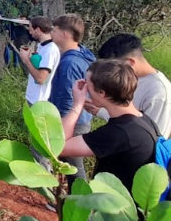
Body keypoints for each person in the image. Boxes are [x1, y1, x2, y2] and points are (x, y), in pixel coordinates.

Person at [60, 60, 157, 193]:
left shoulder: (118, 133)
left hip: (115, 211)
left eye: (88, 85)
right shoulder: (145, 121)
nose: (85, 89)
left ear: (102, 93)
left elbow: (61, 147)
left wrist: (77, 105)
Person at [49, 13, 96, 183]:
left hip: (73, 122)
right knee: (71, 164)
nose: (51, 33)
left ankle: (81, 203)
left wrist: (61, 124)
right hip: (81, 118)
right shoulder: (83, 54)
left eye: (54, 30)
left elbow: (67, 98)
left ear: (65, 34)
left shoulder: (69, 63)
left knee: (74, 166)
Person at [95, 33, 171, 137]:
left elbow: (151, 137)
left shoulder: (159, 92)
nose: (111, 71)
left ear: (130, 62)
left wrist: (101, 112)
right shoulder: (128, 79)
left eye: (114, 66)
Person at [20, 16, 61, 106]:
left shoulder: (50, 50)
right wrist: (30, 57)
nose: (30, 32)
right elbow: (39, 65)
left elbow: (40, 79)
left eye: (30, 29)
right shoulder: (42, 46)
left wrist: (26, 60)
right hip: (32, 96)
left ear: (38, 29)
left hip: (39, 100)